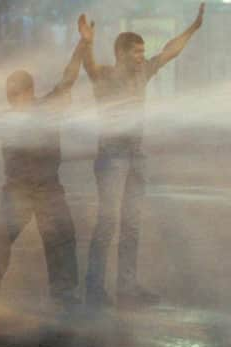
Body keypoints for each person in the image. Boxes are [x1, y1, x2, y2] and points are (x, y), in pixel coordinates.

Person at [81, 4, 205, 309]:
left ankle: (127, 288)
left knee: (132, 225)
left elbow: (168, 52)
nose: (142, 57)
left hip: (136, 156)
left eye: (142, 52)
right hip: (112, 157)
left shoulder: (143, 72)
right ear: (122, 54)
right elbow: (90, 67)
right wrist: (86, 43)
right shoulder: (106, 76)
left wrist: (193, 28)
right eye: (136, 52)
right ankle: (95, 290)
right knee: (107, 223)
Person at [0, 15, 91, 311]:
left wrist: (82, 45)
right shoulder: (16, 114)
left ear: (28, 91)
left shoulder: (44, 107)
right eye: (10, 95)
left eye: (16, 94)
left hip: (42, 188)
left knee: (58, 241)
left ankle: (61, 295)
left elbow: (69, 78)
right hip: (23, 190)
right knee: (6, 240)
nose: (13, 100)